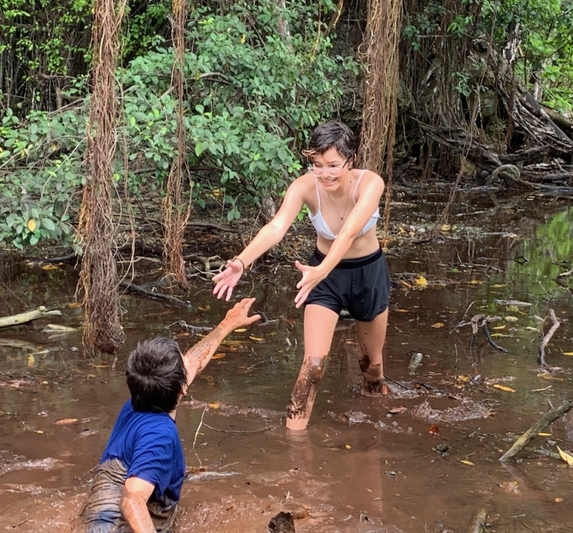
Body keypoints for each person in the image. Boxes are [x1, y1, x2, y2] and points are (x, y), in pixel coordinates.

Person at [212, 121, 390, 431]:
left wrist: (324, 268)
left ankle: (374, 426)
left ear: (351, 159)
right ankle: (293, 443)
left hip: (368, 273)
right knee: (313, 365)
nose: (325, 174)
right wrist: (242, 261)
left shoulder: (371, 183)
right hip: (321, 277)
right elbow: (276, 227)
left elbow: (348, 232)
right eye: (317, 165)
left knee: (372, 367)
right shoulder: (304, 186)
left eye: (333, 165)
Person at [75, 298, 260, 533]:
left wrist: (226, 325)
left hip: (94, 519)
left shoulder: (138, 400)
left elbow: (194, 362)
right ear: (181, 390)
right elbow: (131, 498)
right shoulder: (161, 436)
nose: (188, 361)